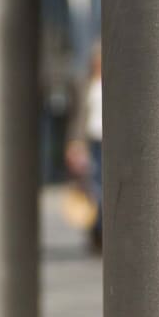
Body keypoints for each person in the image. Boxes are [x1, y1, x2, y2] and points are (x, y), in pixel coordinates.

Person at [66, 42, 103, 252]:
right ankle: (95, 232)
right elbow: (77, 115)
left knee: (102, 186)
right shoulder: (85, 83)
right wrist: (74, 143)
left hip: (108, 140)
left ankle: (102, 230)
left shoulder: (114, 80)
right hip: (91, 141)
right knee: (92, 187)